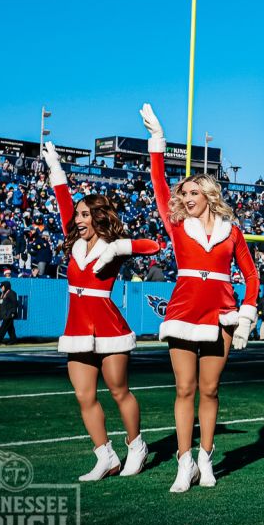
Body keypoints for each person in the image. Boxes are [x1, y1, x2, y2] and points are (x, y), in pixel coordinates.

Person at [140, 104, 260, 493]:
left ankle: (206, 459)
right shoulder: (177, 225)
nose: (186, 197)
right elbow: (159, 183)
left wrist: (245, 315)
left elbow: (252, 275)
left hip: (221, 313)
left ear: (209, 195)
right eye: (184, 192)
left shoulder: (233, 230)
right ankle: (184, 461)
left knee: (210, 390)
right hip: (184, 311)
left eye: (193, 192)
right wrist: (156, 141)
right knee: (185, 389)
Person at [41, 143, 162, 481]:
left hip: (109, 328)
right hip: (78, 326)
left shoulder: (111, 247)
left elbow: (154, 246)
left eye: (84, 215)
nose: (78, 219)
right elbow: (63, 198)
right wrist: (56, 168)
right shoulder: (74, 240)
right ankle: (105, 455)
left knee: (119, 390)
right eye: (77, 215)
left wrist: (120, 249)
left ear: (98, 217)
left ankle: (136, 445)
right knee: (84, 394)